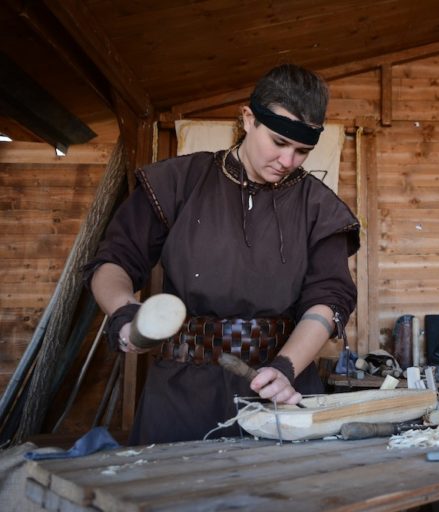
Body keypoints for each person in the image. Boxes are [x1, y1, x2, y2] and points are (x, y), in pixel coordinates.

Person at [84, 64, 360, 445]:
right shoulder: (179, 182)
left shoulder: (319, 207)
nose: (288, 161)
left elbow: (329, 298)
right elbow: (113, 261)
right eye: (279, 142)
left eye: (302, 151)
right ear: (249, 119)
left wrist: (285, 368)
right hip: (180, 393)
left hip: (277, 393)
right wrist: (124, 313)